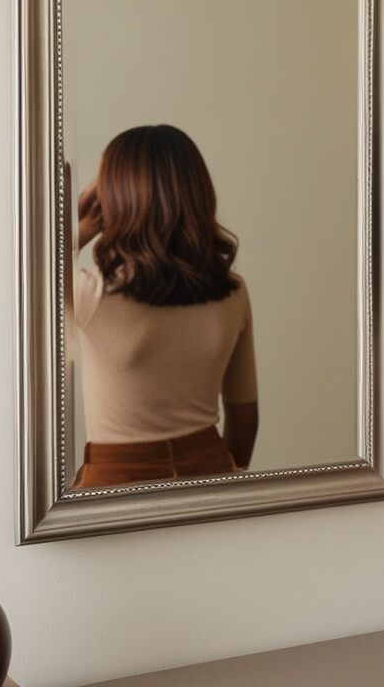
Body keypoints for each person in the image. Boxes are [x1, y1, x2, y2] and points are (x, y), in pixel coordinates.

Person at [70, 124, 259, 489]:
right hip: (211, 467)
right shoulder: (232, 292)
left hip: (114, 485)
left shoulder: (89, 293)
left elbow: (25, 279)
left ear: (111, 199)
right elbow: (245, 420)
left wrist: (74, 229)